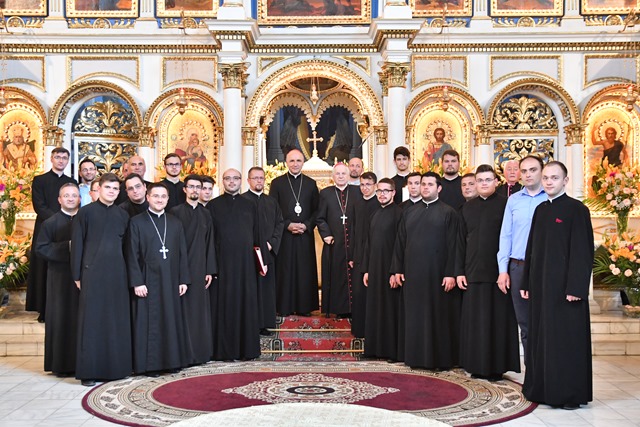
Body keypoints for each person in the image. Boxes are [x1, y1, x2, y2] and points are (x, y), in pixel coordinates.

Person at [521, 161, 594, 410]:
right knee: (542, 339)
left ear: (565, 181)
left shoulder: (577, 210)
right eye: (546, 178)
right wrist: (526, 280)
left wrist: (576, 288)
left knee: (566, 341)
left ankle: (569, 394)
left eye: (554, 178)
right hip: (541, 288)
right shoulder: (540, 210)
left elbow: (582, 252)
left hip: (566, 290)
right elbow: (531, 248)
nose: (549, 182)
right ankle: (542, 389)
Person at [456, 165, 520, 381]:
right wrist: (459, 271)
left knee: (497, 322)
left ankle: (497, 367)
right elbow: (459, 243)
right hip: (472, 273)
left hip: (498, 274)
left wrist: (506, 270)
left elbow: (511, 238)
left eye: (488, 180)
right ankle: (475, 365)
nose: (483, 184)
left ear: (496, 182)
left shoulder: (506, 205)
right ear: (475, 183)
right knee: (475, 322)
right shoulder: (466, 208)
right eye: (480, 180)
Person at [391, 172, 461, 370]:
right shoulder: (409, 212)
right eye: (423, 184)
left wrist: (451, 273)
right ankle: (415, 358)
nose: (425, 187)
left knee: (437, 317)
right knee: (415, 316)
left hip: (438, 276)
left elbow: (454, 246)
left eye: (430, 184)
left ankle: (438, 359)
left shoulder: (449, 213)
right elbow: (400, 242)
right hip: (413, 275)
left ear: (439, 188)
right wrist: (397, 269)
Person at [71, 173, 132, 386]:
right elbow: (77, 244)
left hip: (117, 275)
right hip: (92, 274)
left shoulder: (123, 215)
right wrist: (77, 275)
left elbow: (127, 249)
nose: (112, 192)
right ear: (99, 189)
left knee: (115, 321)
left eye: (115, 189)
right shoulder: (85, 213)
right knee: (92, 322)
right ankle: (90, 372)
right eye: (108, 188)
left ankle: (116, 369)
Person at [126, 183, 190, 376]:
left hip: (171, 280)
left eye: (163, 196)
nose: (159, 200)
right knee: (150, 322)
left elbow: (182, 253)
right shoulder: (136, 222)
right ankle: (150, 365)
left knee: (170, 319)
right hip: (147, 280)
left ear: (168, 199)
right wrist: (137, 282)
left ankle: (172, 361)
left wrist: (183, 279)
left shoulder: (175, 223)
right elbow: (132, 254)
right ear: (148, 197)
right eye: (155, 196)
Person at [208, 169, 262, 361]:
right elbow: (210, 238)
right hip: (222, 264)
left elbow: (257, 235)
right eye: (227, 178)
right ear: (222, 181)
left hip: (246, 265)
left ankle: (247, 350)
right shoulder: (213, 205)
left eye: (235, 178)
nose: (232, 182)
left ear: (241, 181)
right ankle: (225, 351)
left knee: (245, 305)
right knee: (224, 307)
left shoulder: (250, 205)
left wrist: (260, 263)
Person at [497, 155, 546, 355]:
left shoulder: (550, 198)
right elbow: (506, 236)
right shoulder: (513, 200)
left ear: (542, 171)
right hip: (518, 266)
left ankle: (548, 368)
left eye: (533, 170)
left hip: (545, 267)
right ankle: (531, 369)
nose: (528, 175)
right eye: (524, 171)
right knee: (524, 323)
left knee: (546, 320)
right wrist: (503, 270)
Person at [170, 175, 217, 365]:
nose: (195, 190)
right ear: (185, 189)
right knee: (183, 311)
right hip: (180, 269)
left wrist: (209, 270)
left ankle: (201, 353)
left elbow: (210, 242)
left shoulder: (206, 214)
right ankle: (184, 353)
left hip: (200, 269)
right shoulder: (175, 212)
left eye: (199, 187)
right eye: (191, 186)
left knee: (199, 312)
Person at [27, 147, 77, 323]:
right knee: (43, 268)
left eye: (64, 157)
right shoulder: (40, 180)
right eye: (58, 157)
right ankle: (43, 309)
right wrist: (57, 219)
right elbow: (39, 206)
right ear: (51, 159)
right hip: (46, 228)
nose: (61, 160)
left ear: (67, 160)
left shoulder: (71, 182)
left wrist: (65, 219)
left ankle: (65, 307)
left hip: (68, 227)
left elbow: (74, 203)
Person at [36, 183, 80, 377]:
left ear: (80, 198)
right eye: (66, 195)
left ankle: (81, 362)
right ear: (59, 199)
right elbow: (41, 248)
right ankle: (61, 365)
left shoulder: (85, 219)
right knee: (61, 318)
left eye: (74, 195)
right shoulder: (50, 223)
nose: (70, 199)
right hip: (59, 279)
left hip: (82, 279)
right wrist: (69, 247)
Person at [269, 149, 320, 316]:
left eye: (298, 160)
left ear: (303, 162)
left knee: (304, 270)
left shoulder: (311, 184)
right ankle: (284, 306)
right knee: (285, 270)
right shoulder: (277, 183)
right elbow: (273, 210)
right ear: (286, 162)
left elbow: (317, 211)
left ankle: (305, 307)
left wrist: (306, 225)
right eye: (291, 161)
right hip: (285, 235)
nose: (295, 164)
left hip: (305, 235)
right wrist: (287, 225)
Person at [362, 178, 403, 361]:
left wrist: (395, 271)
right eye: (379, 191)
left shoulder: (399, 214)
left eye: (386, 191)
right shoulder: (375, 214)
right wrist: (366, 270)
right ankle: (373, 349)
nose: (382, 194)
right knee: (374, 308)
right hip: (375, 269)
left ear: (393, 193)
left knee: (389, 310)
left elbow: (400, 245)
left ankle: (390, 351)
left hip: (390, 271)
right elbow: (368, 244)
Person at [243, 167, 284, 335]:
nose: (259, 181)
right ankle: (250, 323)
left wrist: (272, 243)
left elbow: (279, 223)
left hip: (267, 252)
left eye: (261, 178)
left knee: (266, 289)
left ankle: (265, 323)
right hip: (248, 254)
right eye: (255, 178)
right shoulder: (242, 201)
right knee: (250, 289)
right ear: (248, 180)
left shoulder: (271, 202)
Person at [317, 163, 360, 317]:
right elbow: (320, 218)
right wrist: (326, 234)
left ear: (348, 175)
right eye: (338, 174)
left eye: (343, 173)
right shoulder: (326, 193)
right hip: (334, 243)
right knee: (336, 275)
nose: (341, 176)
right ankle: (338, 309)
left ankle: (355, 308)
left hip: (353, 242)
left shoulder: (357, 191)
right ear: (332, 176)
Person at [350, 171, 379, 337]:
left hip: (374, 256)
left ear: (375, 185)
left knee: (372, 294)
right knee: (358, 294)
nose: (365, 188)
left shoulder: (379, 203)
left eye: (368, 184)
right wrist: (352, 256)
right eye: (362, 185)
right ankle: (359, 329)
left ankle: (372, 330)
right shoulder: (357, 203)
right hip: (359, 256)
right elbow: (353, 230)